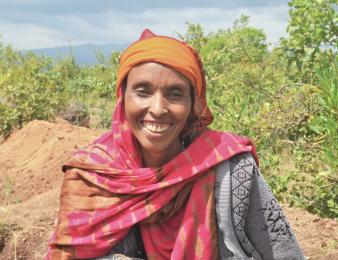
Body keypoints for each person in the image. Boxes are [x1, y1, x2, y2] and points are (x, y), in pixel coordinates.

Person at [46, 29, 305, 260]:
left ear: (194, 104)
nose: (158, 109)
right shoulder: (92, 178)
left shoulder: (230, 169)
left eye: (175, 94)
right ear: (122, 98)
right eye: (143, 91)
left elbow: (284, 253)